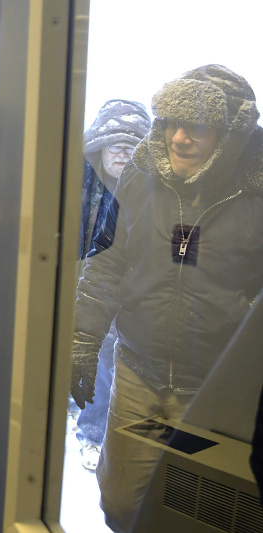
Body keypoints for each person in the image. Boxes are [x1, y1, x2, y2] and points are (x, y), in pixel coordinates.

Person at [71, 64, 263, 532]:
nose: (178, 138)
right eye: (170, 123)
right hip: (138, 374)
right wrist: (82, 342)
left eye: (195, 126)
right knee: (119, 505)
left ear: (230, 134)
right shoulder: (141, 173)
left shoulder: (257, 189)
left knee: (199, 517)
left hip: (218, 391)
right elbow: (108, 262)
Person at [72, 100, 151, 472]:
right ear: (98, 147)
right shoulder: (74, 183)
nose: (121, 152)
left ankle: (93, 434)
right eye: (113, 143)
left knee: (107, 357)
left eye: (131, 145)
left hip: (131, 295)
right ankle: (86, 426)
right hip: (75, 281)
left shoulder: (154, 193)